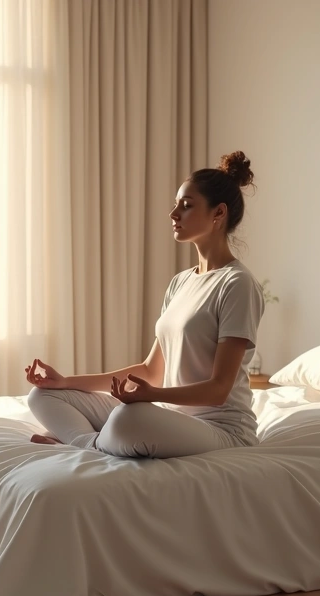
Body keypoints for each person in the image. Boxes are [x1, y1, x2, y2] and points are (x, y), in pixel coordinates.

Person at [24, 151, 265, 458]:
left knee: (130, 417)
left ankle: (84, 442)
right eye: (177, 204)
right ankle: (92, 441)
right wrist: (65, 381)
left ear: (218, 214)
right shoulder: (180, 282)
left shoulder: (237, 284)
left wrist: (152, 396)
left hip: (221, 430)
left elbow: (219, 390)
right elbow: (151, 370)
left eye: (186, 206)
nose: (173, 213)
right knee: (42, 396)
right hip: (169, 418)